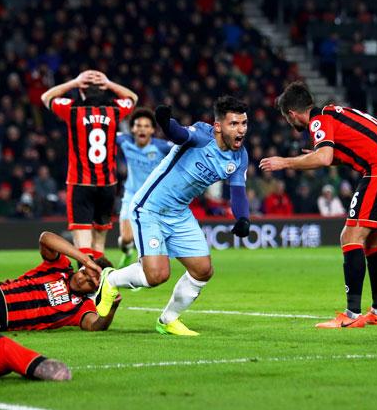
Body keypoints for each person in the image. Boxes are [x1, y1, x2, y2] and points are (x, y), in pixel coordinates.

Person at [259, 81, 377, 329]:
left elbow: (323, 157)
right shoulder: (334, 113)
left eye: (288, 120)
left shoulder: (318, 121)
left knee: (350, 236)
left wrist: (284, 162)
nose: (291, 124)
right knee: (372, 240)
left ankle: (351, 316)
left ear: (292, 114)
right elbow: (342, 153)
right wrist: (320, 156)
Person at [95, 96, 250, 336]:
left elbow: (238, 191)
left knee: (202, 270)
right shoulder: (202, 135)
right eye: (234, 124)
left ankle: (168, 320)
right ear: (219, 126)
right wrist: (165, 122)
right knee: (156, 276)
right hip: (150, 209)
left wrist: (242, 218)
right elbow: (180, 135)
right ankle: (111, 279)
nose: (241, 130)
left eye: (244, 124)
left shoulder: (239, 156)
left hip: (179, 213)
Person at [41, 70, 137, 260]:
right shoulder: (114, 111)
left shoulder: (73, 110)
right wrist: (108, 83)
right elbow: (132, 97)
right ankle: (99, 286)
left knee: (82, 246)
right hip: (107, 186)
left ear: (82, 92)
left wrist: (75, 82)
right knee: (98, 244)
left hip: (80, 184)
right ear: (103, 91)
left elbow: (47, 97)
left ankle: (86, 286)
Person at [116, 108, 173, 267]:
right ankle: (127, 252)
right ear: (132, 128)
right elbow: (104, 135)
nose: (142, 128)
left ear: (153, 130)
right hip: (131, 195)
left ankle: (144, 269)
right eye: (138, 125)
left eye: (146, 126)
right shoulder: (124, 141)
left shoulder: (162, 147)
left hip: (152, 199)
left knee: (148, 238)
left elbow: (183, 149)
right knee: (126, 238)